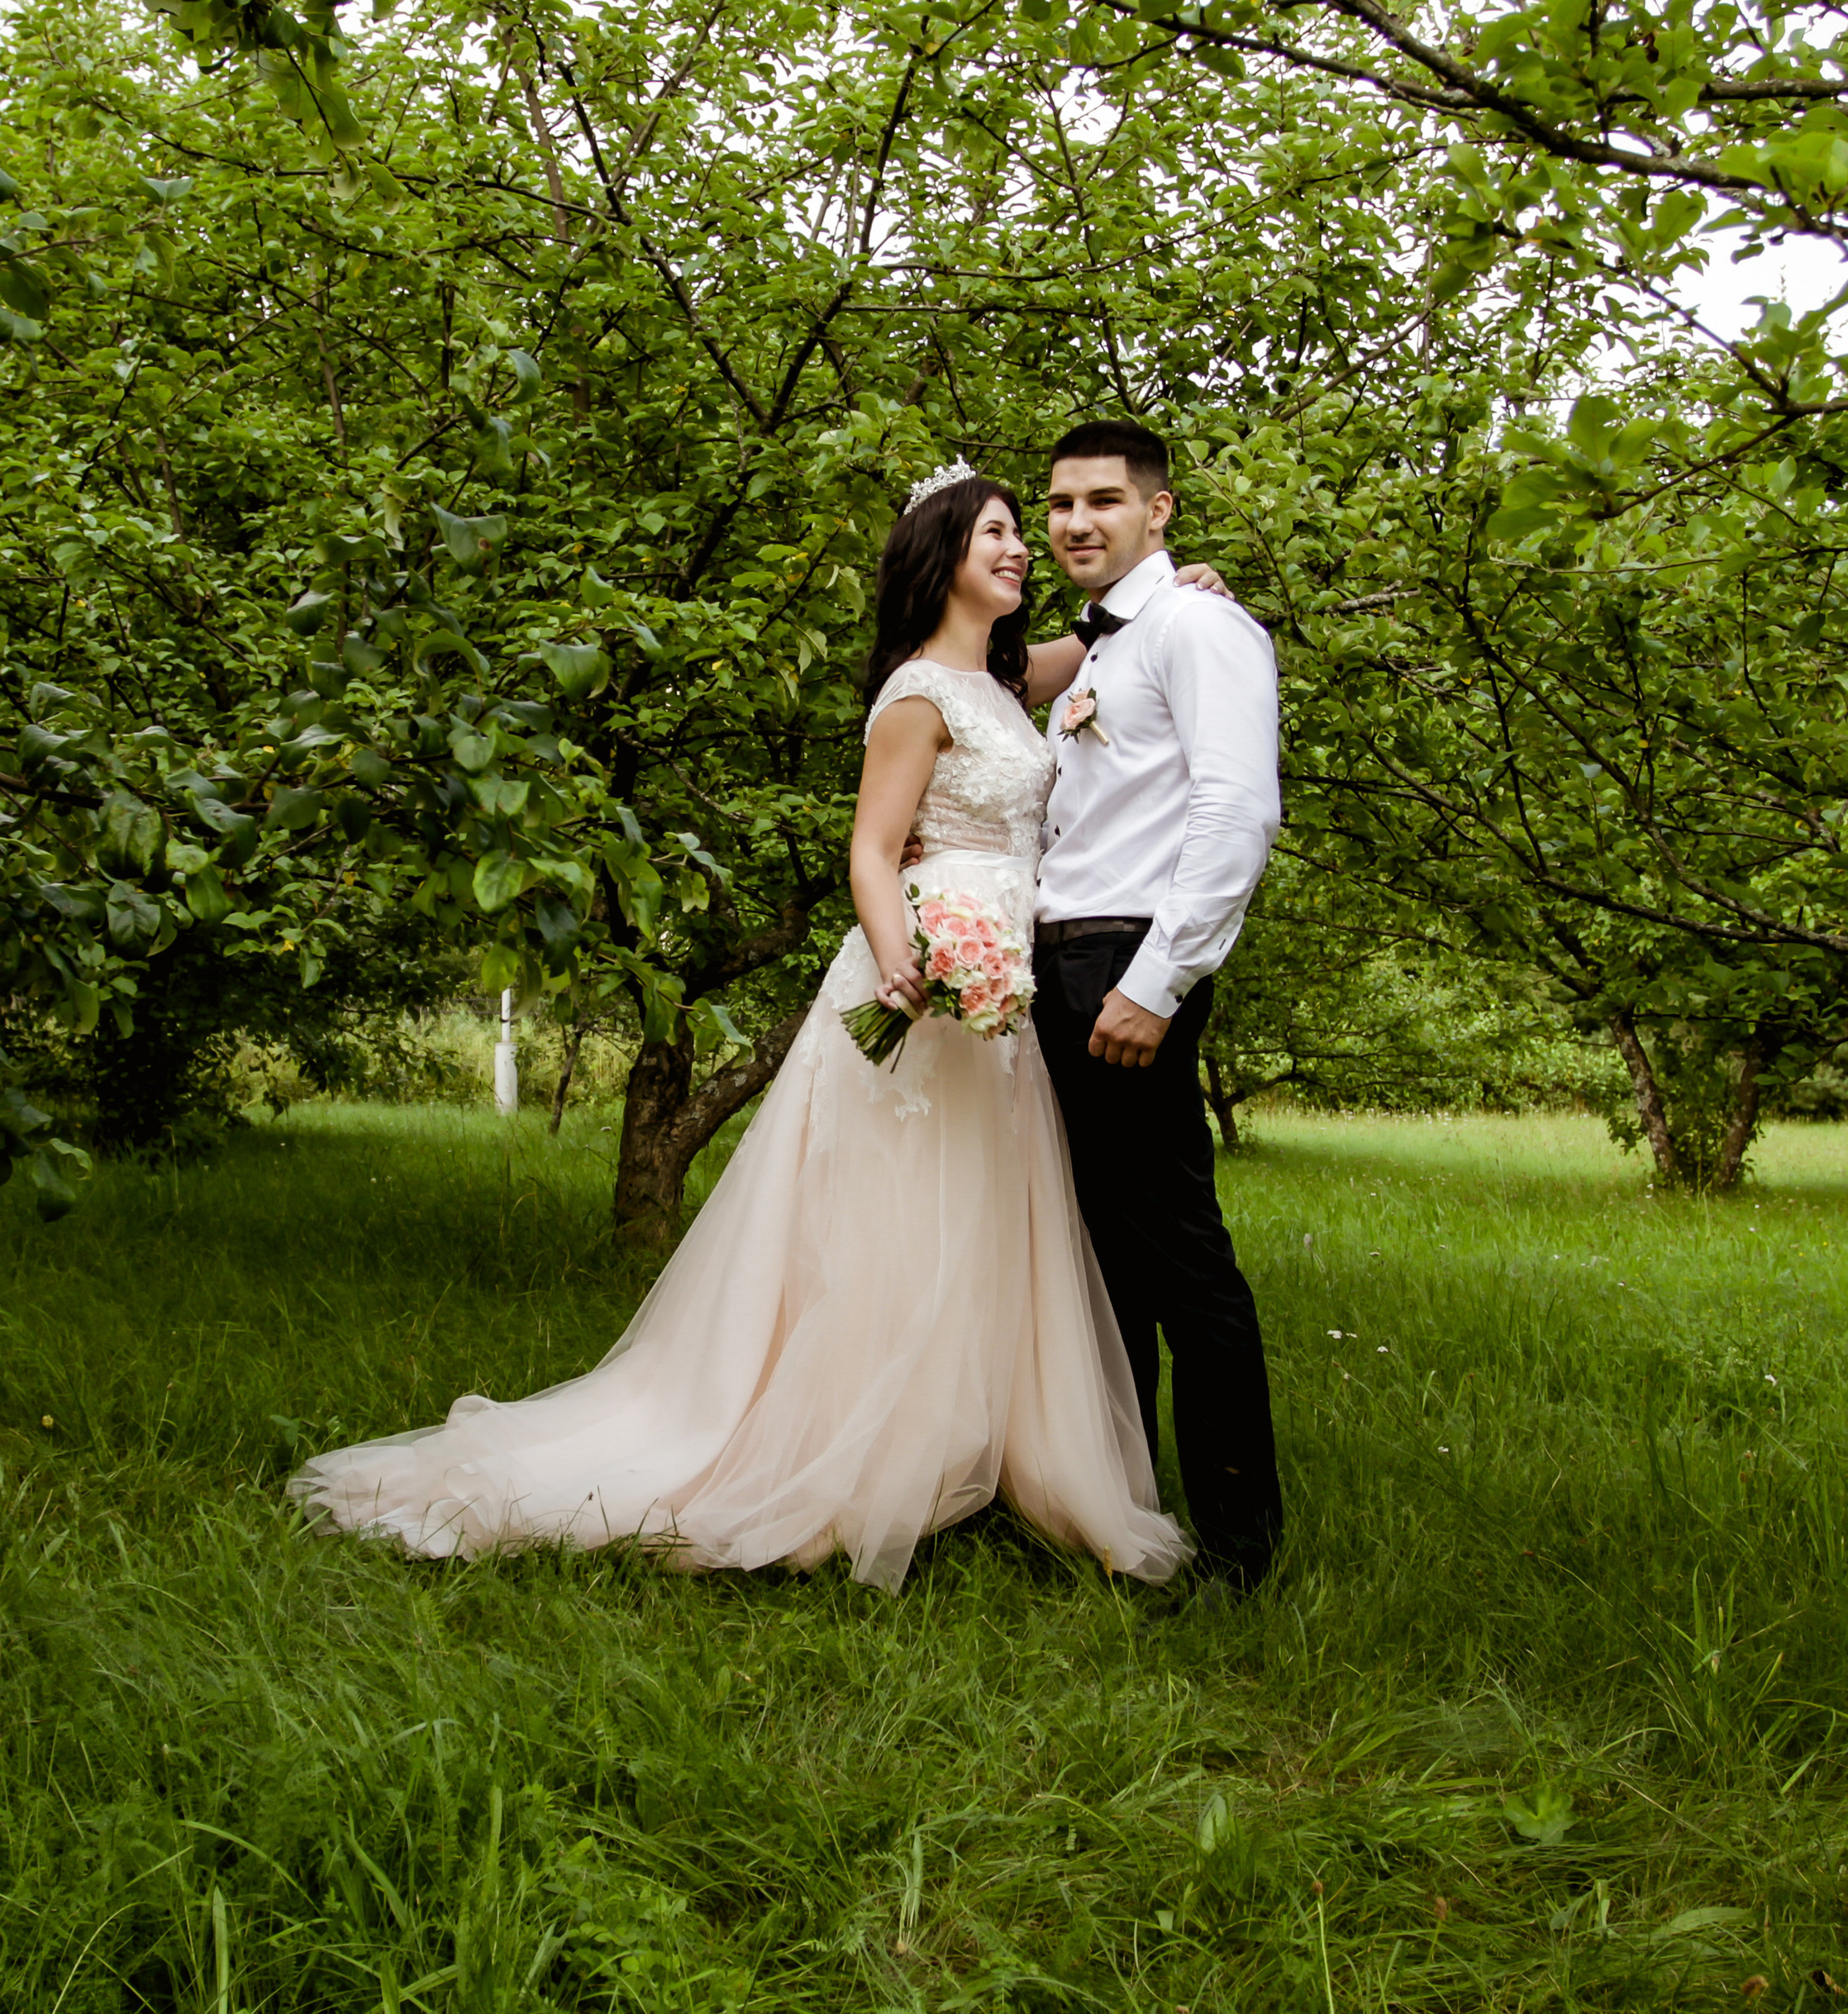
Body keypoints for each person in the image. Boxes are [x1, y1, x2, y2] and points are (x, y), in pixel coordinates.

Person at [288, 464, 1222, 1593]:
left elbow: (1111, 640)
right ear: (942, 557)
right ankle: (844, 1459)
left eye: (1024, 531)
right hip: (921, 988)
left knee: (980, 1227)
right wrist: (900, 956)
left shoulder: (1009, 679)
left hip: (1003, 998)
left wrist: (1179, 592)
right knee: (892, 1232)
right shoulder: (920, 693)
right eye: (997, 532)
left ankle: (972, 1457)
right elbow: (872, 853)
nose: (1022, 547)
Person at [1030, 421, 1285, 1593]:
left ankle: (1241, 1552)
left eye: (1102, 501)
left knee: (1182, 1259)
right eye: (1059, 505)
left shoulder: (1199, 626)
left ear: (1159, 509)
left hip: (1129, 965)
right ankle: (1127, 1515)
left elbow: (1237, 813)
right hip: (1060, 966)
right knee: (1107, 1262)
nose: (1077, 522)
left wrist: (1155, 983)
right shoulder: (1097, 647)